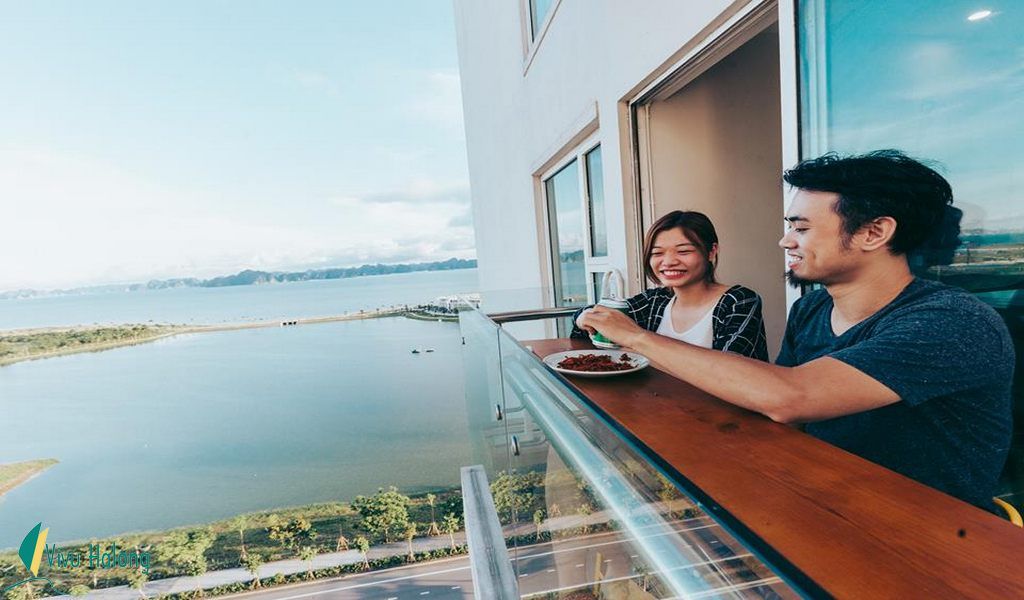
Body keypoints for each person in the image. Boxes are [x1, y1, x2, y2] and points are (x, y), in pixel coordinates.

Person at [580, 150, 1014, 510]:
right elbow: (778, 420)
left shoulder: (954, 323)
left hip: (931, 538)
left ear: (874, 232)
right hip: (826, 503)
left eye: (802, 228)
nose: (786, 242)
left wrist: (635, 337)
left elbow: (791, 397)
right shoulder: (812, 308)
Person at [573, 210, 768, 361]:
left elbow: (733, 373)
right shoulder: (656, 301)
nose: (668, 262)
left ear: (711, 251)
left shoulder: (739, 301)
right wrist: (583, 317)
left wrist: (637, 345)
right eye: (657, 253)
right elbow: (602, 314)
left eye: (683, 251)